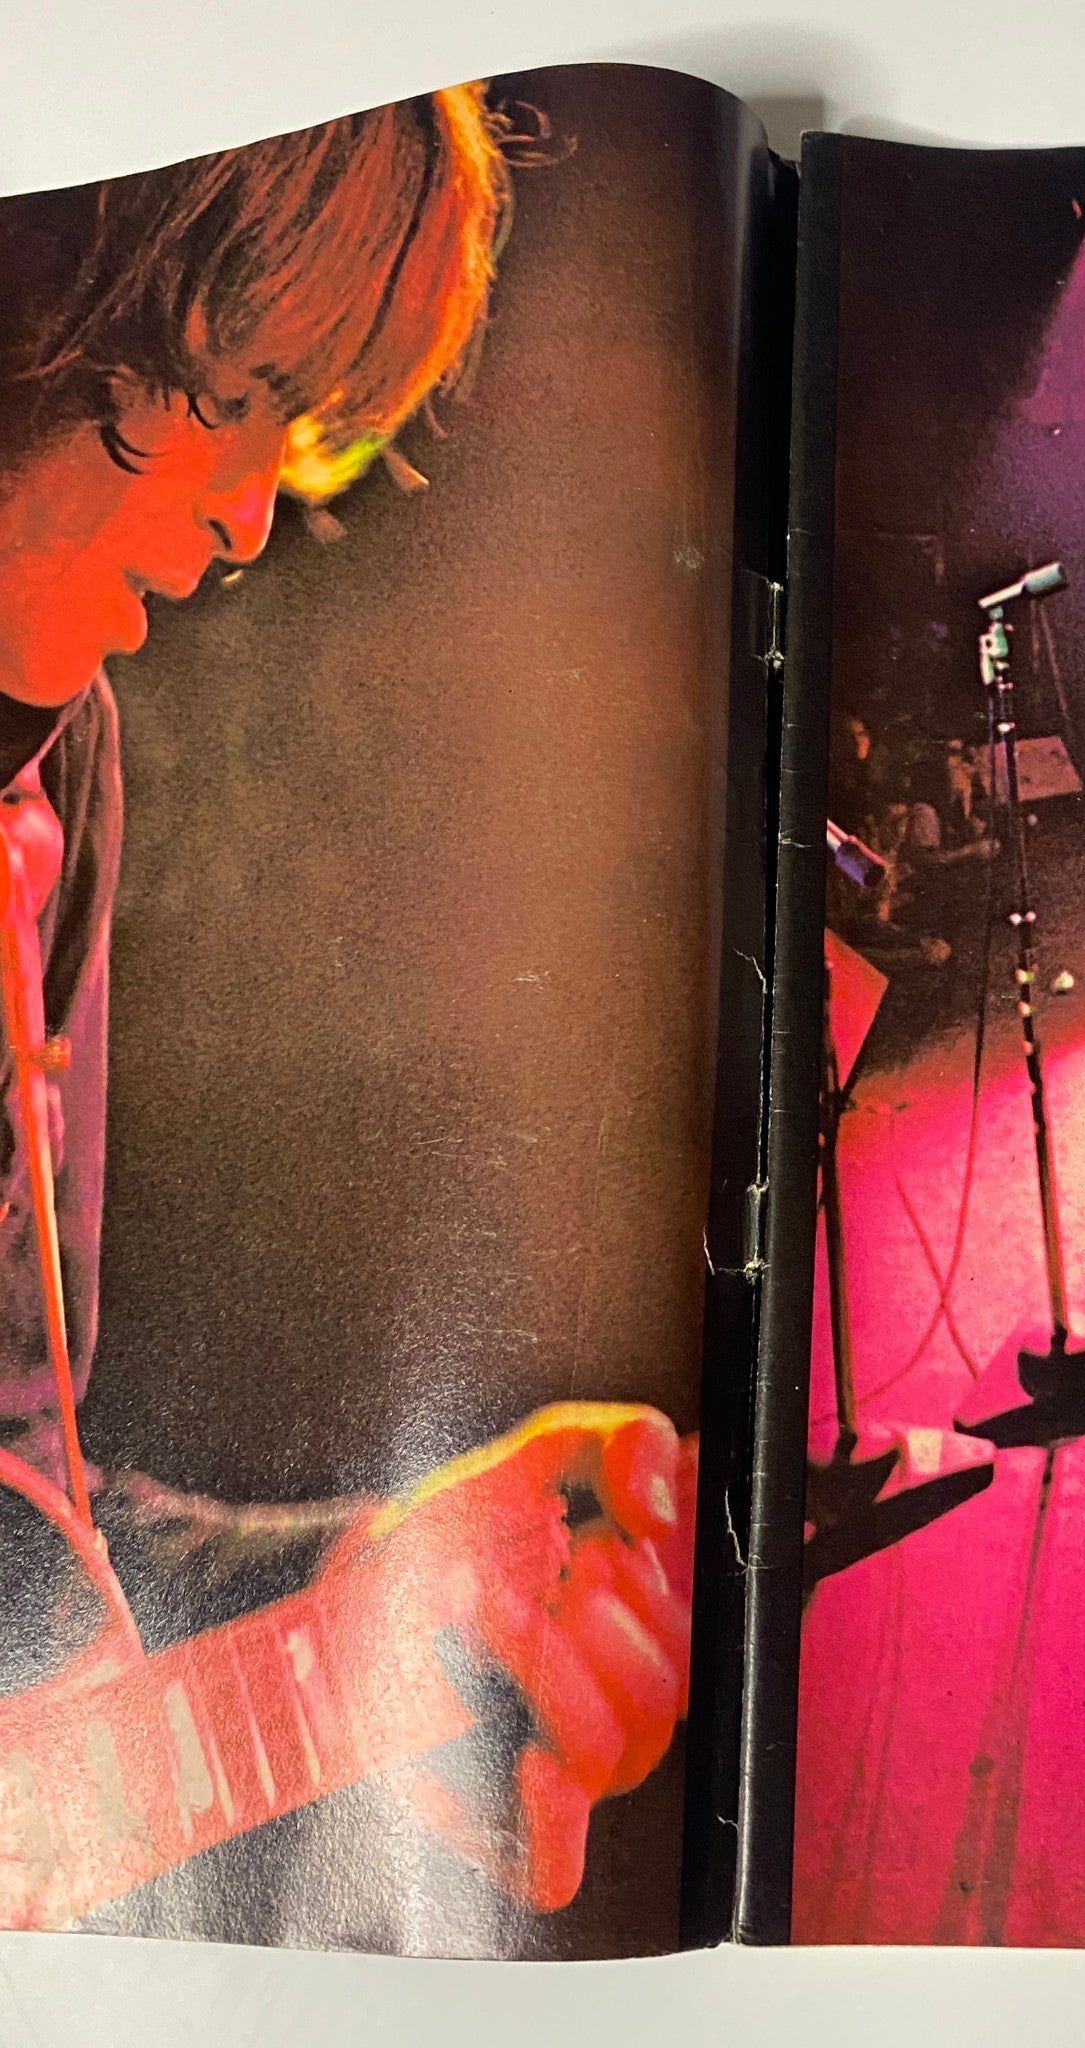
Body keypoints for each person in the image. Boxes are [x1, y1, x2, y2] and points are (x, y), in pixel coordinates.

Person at [0, 90, 690, 1930]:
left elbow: (25, 1546)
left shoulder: (58, 781)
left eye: (289, 428)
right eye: (228, 389)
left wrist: (362, 1597)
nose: (245, 520)